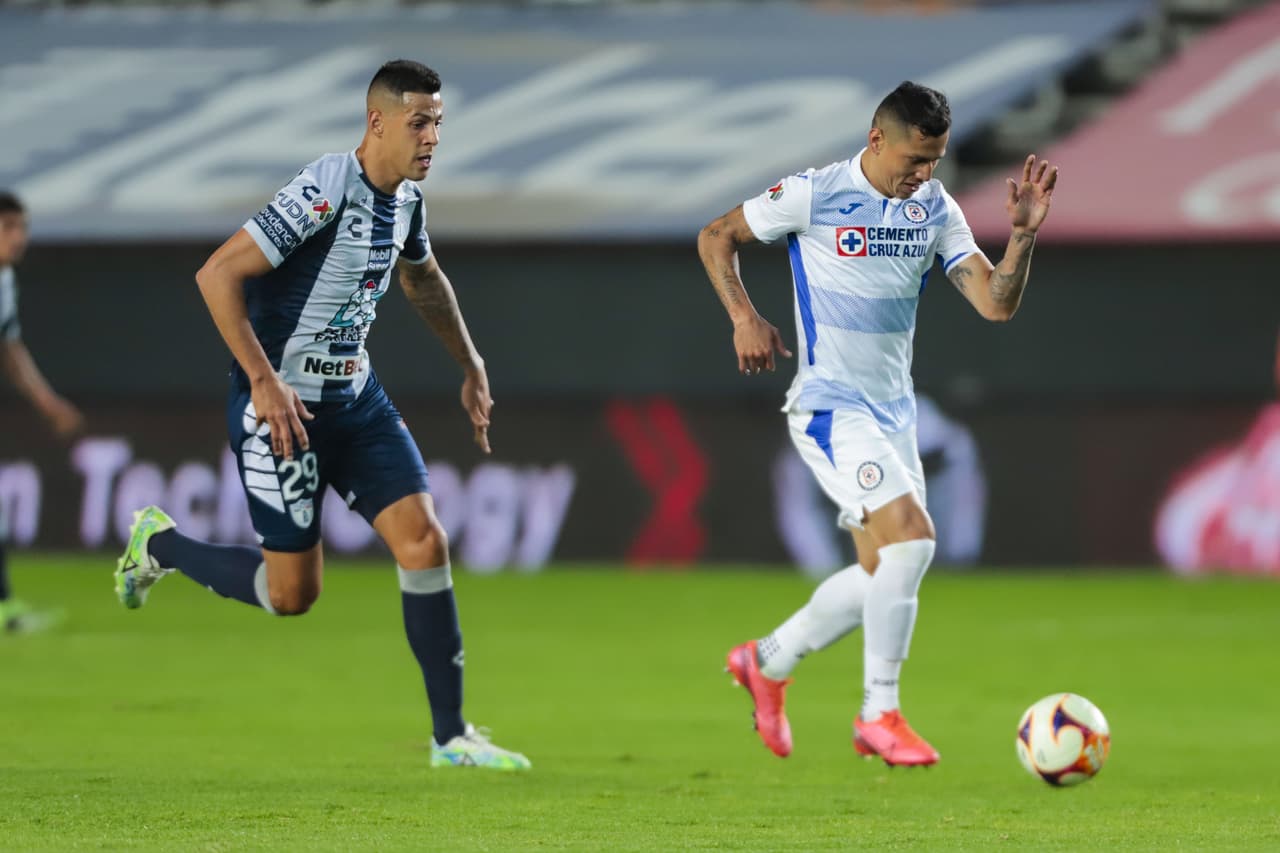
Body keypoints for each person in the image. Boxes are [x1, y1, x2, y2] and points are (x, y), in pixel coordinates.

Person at [112, 60, 529, 770]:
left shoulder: (407, 206)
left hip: (356, 403)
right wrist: (264, 381)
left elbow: (422, 279)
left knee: (426, 543)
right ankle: (159, 545)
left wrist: (471, 362)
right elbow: (217, 273)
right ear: (378, 123)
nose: (432, 138)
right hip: (283, 411)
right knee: (291, 595)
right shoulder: (326, 186)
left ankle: (450, 736)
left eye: (438, 123)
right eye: (418, 122)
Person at [697, 81, 1056, 766]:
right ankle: (878, 711)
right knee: (914, 542)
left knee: (877, 570)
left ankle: (766, 660)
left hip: (894, 412)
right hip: (831, 405)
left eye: (935, 162)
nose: (922, 176)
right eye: (914, 160)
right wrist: (744, 316)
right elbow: (717, 236)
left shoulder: (934, 208)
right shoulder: (815, 192)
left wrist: (1020, 239)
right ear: (876, 138)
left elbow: (996, 304)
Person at [0, 190, 82, 634]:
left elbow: (9, 349)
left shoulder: (4, 280)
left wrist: (48, 402)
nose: (18, 237)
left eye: (22, 227)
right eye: (8, 226)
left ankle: (5, 609)